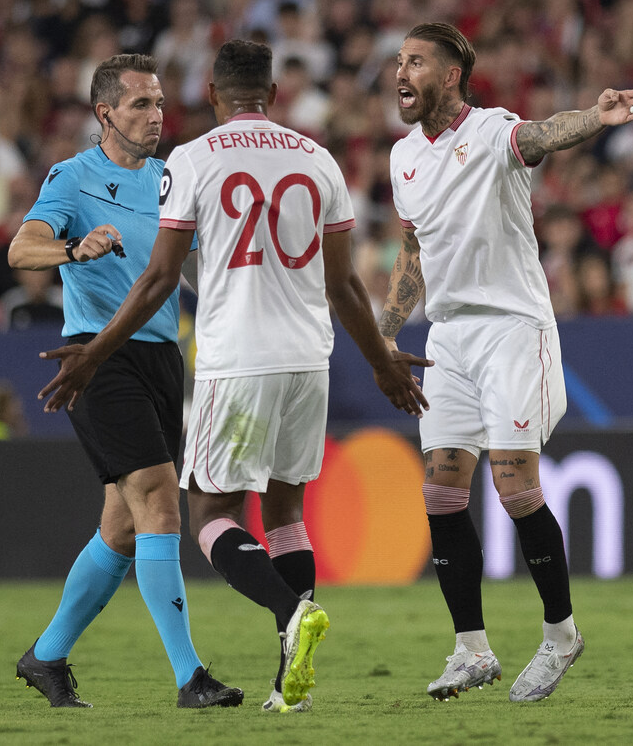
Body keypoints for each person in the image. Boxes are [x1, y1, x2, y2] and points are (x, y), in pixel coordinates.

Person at [34, 40, 432, 714]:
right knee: (284, 513)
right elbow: (344, 284)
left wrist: (95, 351)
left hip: (237, 361)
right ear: (274, 95)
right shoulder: (319, 159)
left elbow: (161, 276)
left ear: (213, 97)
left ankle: (290, 610)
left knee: (211, 512)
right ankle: (289, 684)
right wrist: (381, 359)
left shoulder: (191, 161)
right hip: (311, 359)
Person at [379, 21, 633, 703]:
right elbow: (412, 250)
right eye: (397, 61)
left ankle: (561, 634)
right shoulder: (402, 157)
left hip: (511, 327)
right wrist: (387, 331)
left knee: (513, 484)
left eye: (415, 61)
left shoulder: (493, 129)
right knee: (442, 489)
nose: (399, 72)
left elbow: (540, 134)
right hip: (445, 336)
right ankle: (470, 648)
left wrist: (595, 117)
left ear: (450, 75)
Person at [8, 53, 242, 709]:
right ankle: (190, 676)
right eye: (141, 104)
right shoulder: (72, 178)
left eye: (161, 102)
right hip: (97, 356)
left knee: (123, 527)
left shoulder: (174, 179)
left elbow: (202, 266)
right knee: (161, 500)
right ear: (105, 113)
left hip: (164, 358)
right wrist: (71, 249)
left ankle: (46, 656)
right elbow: (20, 248)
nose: (156, 115)